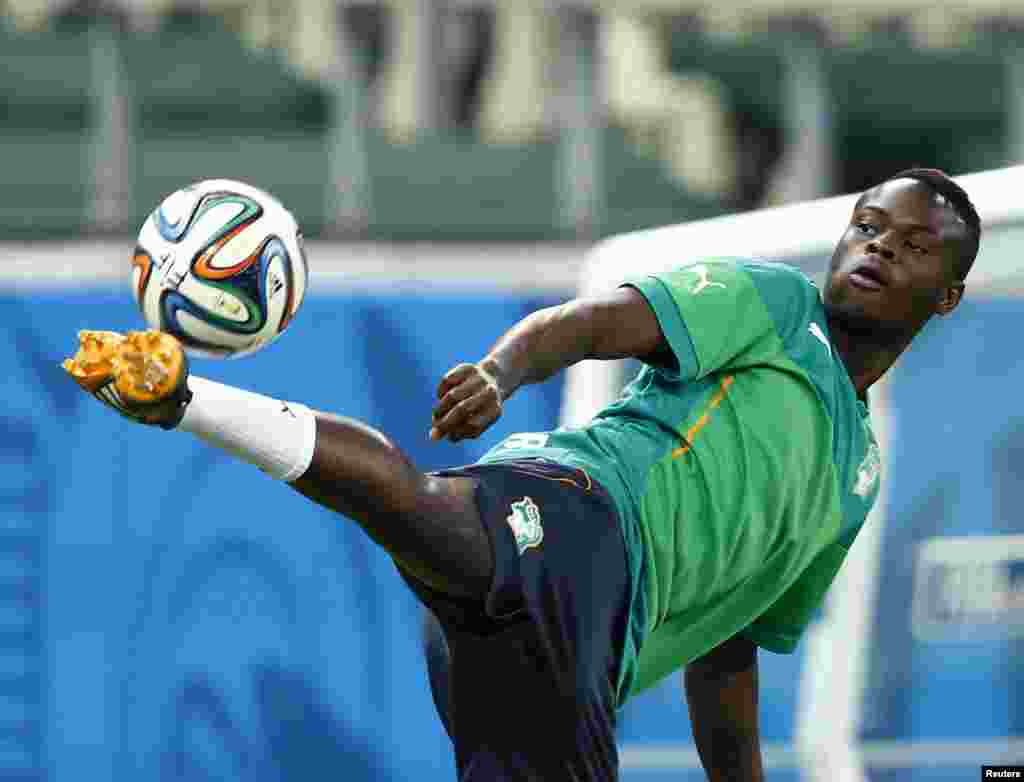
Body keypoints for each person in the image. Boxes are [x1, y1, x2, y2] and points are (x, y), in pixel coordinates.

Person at [63, 168, 981, 781]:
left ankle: (189, 403)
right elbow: (576, 329)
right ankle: (184, 399)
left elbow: (729, 647)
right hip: (579, 511)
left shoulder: (856, 475)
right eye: (866, 225)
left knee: (419, 518)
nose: (878, 244)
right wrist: (503, 373)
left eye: (912, 243)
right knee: (413, 503)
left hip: (572, 653)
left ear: (948, 295)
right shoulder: (775, 305)